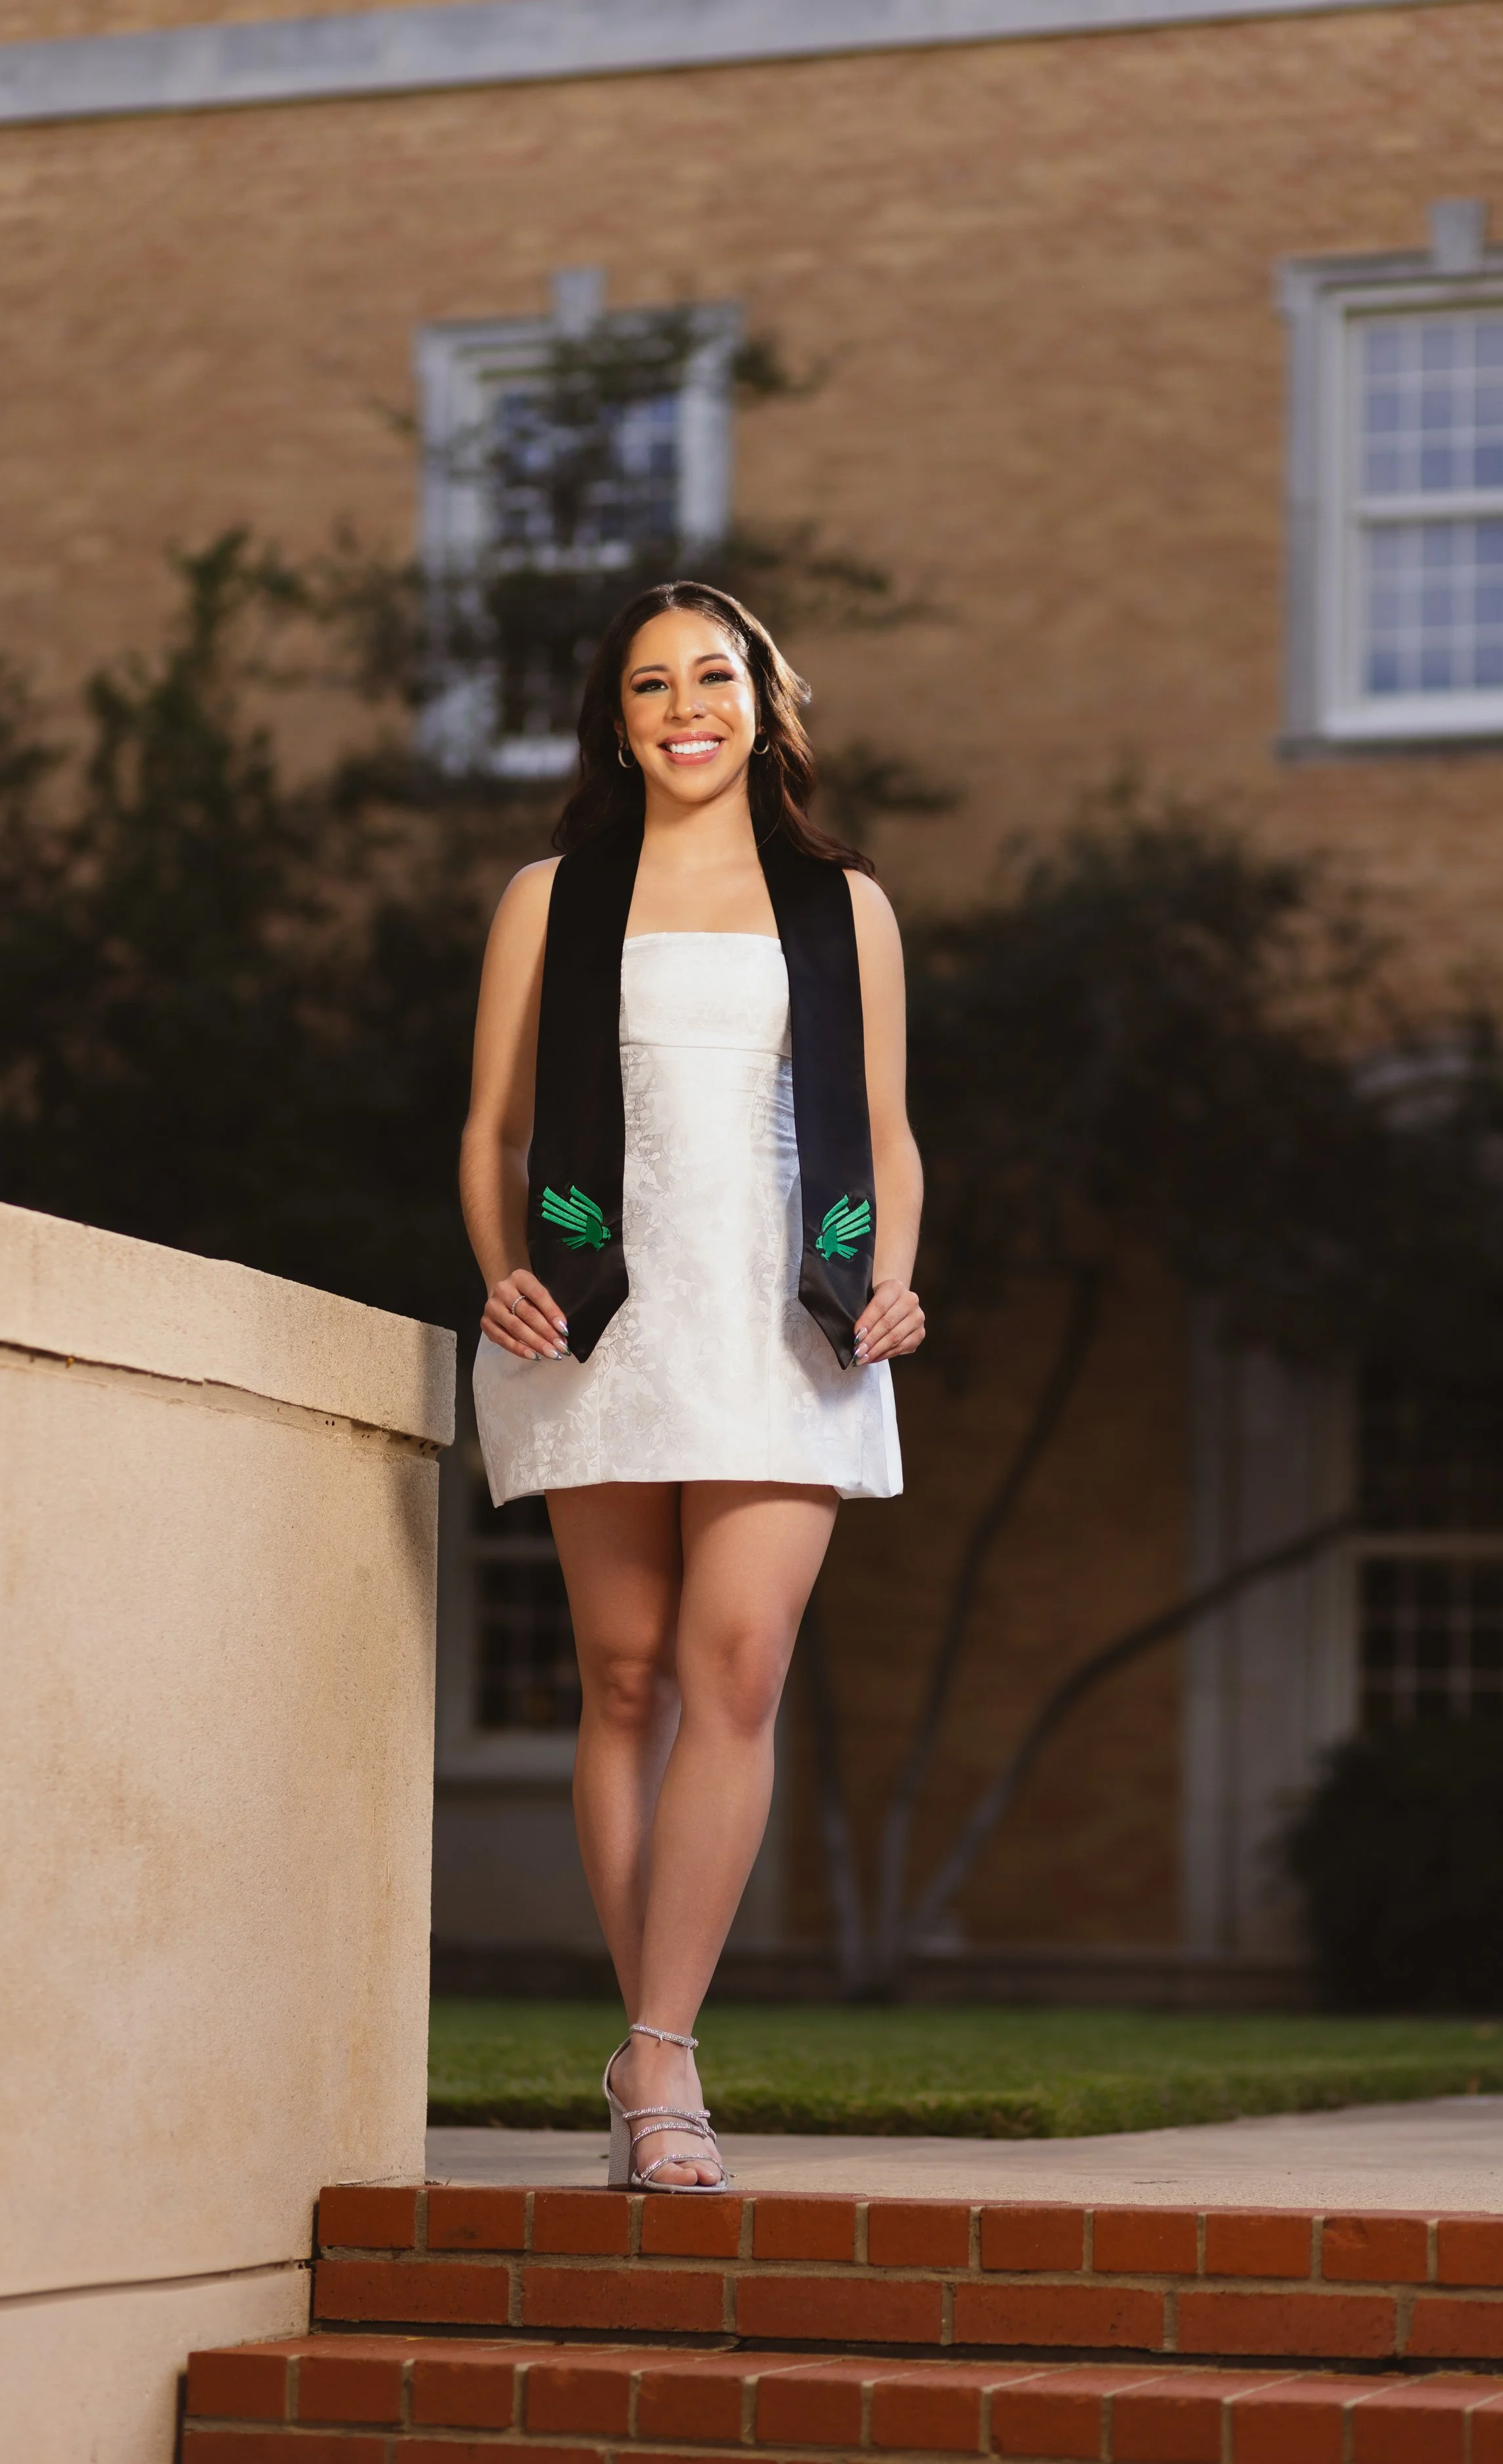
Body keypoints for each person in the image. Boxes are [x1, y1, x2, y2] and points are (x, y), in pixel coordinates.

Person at [460, 580, 924, 2190]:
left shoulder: (840, 901)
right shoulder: (553, 893)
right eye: (649, 682)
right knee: (627, 1672)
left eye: (711, 674)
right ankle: (644, 2046)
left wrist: (891, 1276)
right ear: (615, 716)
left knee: (738, 1663)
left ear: (761, 700)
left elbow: (886, 1129)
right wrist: (497, 1262)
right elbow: (497, 1130)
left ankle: (659, 2057)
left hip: (782, 1312)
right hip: (596, 1304)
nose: (683, 705)